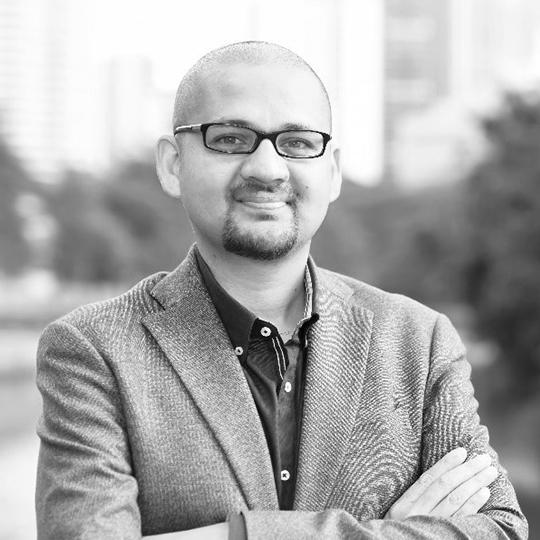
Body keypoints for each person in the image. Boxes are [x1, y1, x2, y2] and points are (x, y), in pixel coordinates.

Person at [35, 41, 527, 539]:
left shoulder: (418, 342)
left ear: (331, 171)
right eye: (229, 139)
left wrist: (242, 534)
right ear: (172, 164)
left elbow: (500, 530)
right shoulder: (93, 349)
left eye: (296, 142)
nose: (268, 169)